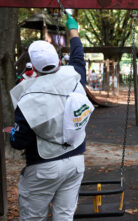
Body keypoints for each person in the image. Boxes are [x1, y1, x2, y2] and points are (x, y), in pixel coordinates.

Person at [9, 14, 90, 220]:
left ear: (33, 67)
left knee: (33, 217)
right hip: (75, 159)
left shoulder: (27, 96)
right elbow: (78, 55)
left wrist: (13, 134)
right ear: (58, 60)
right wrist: (73, 31)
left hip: (43, 165)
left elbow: (19, 142)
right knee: (64, 216)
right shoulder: (75, 75)